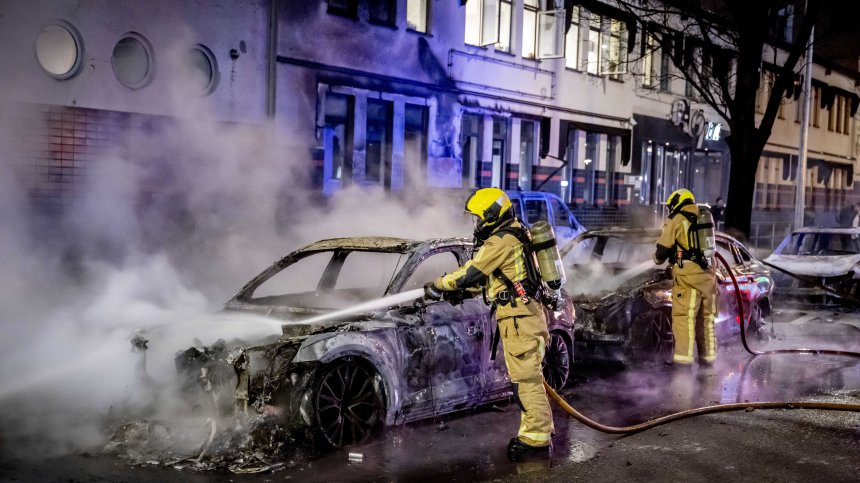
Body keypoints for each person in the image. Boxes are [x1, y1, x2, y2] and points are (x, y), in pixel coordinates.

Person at [424, 187, 553, 461]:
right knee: (528, 381)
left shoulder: (501, 241)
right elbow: (499, 279)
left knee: (526, 383)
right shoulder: (518, 232)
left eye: (478, 218)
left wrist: (439, 285)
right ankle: (534, 434)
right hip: (526, 318)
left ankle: (536, 441)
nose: (476, 224)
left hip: (520, 321)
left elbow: (470, 272)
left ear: (491, 216)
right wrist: (463, 291)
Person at [653, 188, 718, 366]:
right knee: (706, 320)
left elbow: (662, 251)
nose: (669, 209)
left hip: (688, 277)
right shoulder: (705, 216)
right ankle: (708, 361)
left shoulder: (676, 219)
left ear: (676, 203)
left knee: (684, 319)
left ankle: (683, 364)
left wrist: (657, 258)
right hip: (708, 275)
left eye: (670, 206)